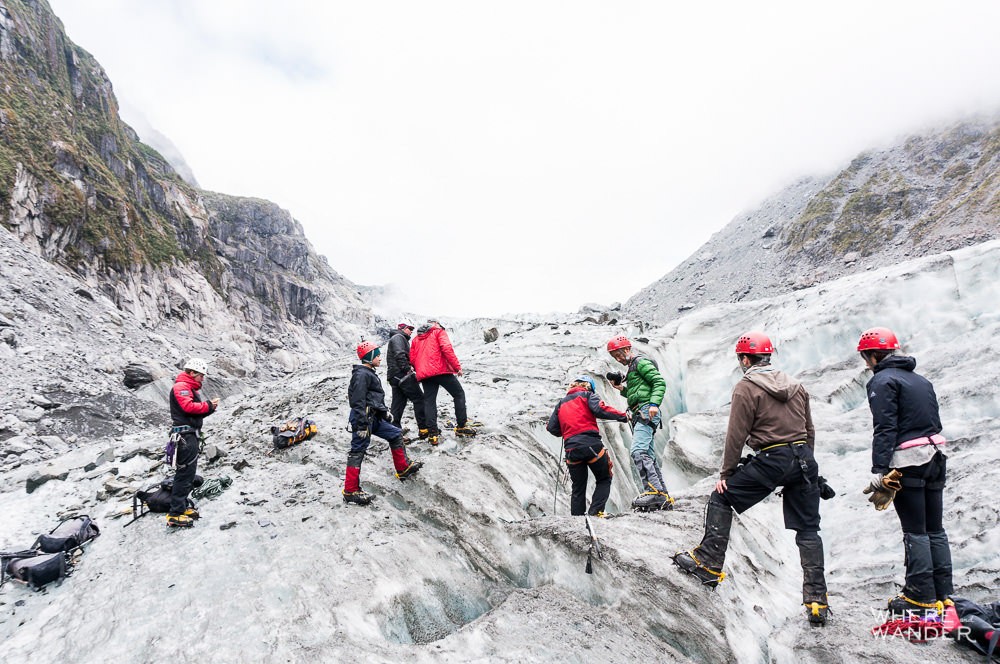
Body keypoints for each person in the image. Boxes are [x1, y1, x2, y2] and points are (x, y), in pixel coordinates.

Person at [673, 332, 830, 626]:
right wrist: (809, 468)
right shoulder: (796, 385)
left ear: (745, 359)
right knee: (808, 529)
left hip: (772, 459)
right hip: (803, 459)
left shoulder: (747, 387)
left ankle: (707, 565)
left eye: (740, 359)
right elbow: (809, 429)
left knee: (721, 497)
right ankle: (817, 602)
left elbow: (737, 434)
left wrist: (727, 474)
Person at [857, 326, 953, 618]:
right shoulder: (920, 379)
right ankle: (944, 595)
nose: (865, 362)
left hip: (910, 461)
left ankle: (919, 598)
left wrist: (880, 469)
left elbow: (885, 426)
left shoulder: (882, 381)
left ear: (874, 355)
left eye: (865, 357)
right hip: (935, 457)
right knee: (935, 528)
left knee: (915, 530)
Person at [343, 341, 423, 506]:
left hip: (374, 418)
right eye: (377, 355)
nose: (380, 358)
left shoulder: (368, 372)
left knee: (395, 434)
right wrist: (362, 425)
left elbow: (371, 398)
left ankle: (403, 468)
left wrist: (384, 412)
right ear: (369, 357)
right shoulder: (361, 375)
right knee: (357, 451)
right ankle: (350, 490)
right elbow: (358, 401)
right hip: (364, 420)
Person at [606, 335, 673, 511]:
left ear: (627, 349)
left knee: (638, 451)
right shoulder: (632, 368)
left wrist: (653, 404)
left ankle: (653, 493)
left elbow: (658, 382)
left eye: (619, 354)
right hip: (640, 412)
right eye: (615, 357)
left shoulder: (641, 363)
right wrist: (621, 388)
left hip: (646, 411)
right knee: (648, 455)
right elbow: (636, 393)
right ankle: (663, 496)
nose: (619, 359)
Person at [546, 376, 628, 516]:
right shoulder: (587, 395)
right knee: (604, 478)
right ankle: (595, 512)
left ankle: (577, 519)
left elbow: (552, 428)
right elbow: (600, 410)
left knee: (578, 487)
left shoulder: (561, 404)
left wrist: (567, 430)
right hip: (591, 446)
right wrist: (623, 416)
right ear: (589, 386)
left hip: (571, 450)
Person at [166, 357, 219, 528]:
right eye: (201, 375)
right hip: (185, 437)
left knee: (188, 473)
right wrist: (208, 405)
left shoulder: (186, 388)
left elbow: (192, 413)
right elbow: (188, 407)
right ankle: (174, 514)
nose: (202, 378)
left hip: (188, 435)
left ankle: (180, 508)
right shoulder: (181, 387)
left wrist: (209, 408)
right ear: (192, 372)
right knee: (185, 473)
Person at [410, 319, 475, 443]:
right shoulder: (438, 332)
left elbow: (412, 358)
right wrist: (457, 367)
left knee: (429, 401)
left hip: (425, 375)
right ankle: (461, 426)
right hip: (440, 371)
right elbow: (447, 349)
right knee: (458, 394)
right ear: (435, 324)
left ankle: (433, 433)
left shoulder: (416, 339)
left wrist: (421, 368)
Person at [387, 318, 429, 439]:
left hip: (394, 376)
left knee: (398, 405)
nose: (411, 331)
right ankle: (424, 428)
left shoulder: (397, 338)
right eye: (409, 329)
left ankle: (394, 433)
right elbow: (400, 354)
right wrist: (407, 369)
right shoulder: (398, 338)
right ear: (401, 329)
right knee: (419, 399)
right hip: (402, 375)